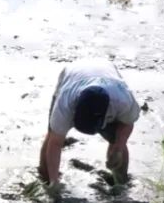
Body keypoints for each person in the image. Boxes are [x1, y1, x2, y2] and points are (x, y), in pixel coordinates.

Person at [38, 58, 140, 191]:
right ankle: (46, 178)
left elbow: (127, 124)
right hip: (72, 74)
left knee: (117, 141)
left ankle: (121, 183)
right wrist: (54, 181)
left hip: (106, 70)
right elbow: (55, 142)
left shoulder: (123, 101)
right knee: (52, 133)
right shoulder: (64, 104)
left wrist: (119, 145)